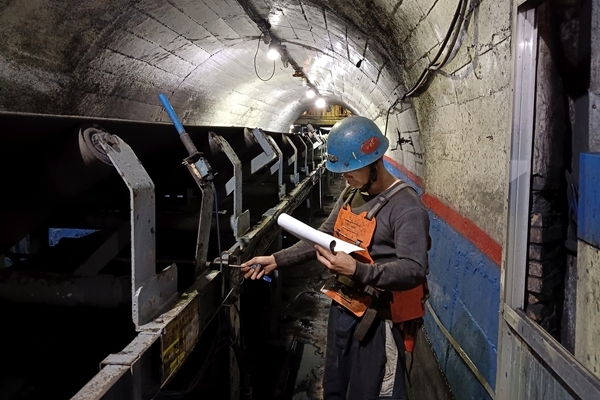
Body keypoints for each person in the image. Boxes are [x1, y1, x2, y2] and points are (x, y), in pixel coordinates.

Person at [241, 116, 430, 400]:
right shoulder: (351, 193)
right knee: (336, 387)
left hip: (378, 322)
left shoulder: (406, 207)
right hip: (343, 309)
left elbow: (414, 269)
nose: (344, 176)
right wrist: (276, 259)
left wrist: (358, 270)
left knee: (371, 393)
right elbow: (324, 235)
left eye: (350, 169)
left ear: (374, 163)